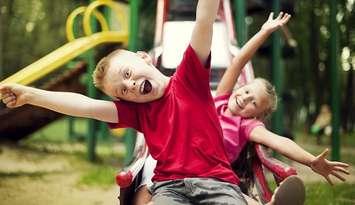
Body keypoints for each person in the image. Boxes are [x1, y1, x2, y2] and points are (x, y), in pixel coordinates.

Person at [1, 1, 247, 204]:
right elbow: (83, 105)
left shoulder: (189, 78)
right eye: (123, 90)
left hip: (217, 182)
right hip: (170, 189)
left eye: (127, 74)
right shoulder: (138, 112)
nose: (129, 85)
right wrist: (31, 95)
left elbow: (204, 19)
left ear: (144, 58)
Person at [130, 12, 350, 205]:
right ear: (239, 87)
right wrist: (264, 32)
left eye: (253, 102)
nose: (245, 98)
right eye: (246, 91)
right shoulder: (219, 100)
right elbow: (239, 61)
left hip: (216, 178)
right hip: (178, 170)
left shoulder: (247, 126)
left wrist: (310, 160)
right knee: (146, 191)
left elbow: (279, 141)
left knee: (238, 196)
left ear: (257, 115)